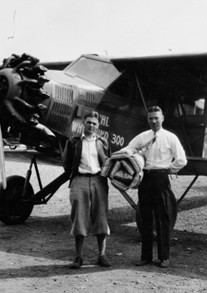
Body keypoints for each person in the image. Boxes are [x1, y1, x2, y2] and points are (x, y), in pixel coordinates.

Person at [123, 106, 187, 268]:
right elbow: (128, 149)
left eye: (156, 118)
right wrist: (131, 158)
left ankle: (164, 257)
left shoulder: (170, 138)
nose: (153, 121)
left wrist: (169, 169)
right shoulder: (143, 137)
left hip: (161, 179)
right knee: (145, 219)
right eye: (150, 118)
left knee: (162, 219)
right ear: (148, 120)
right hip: (146, 179)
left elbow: (182, 160)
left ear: (162, 118)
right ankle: (146, 257)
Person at [62, 111, 111, 269]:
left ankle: (101, 256)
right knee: (79, 217)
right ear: (83, 123)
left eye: (94, 124)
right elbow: (66, 163)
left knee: (101, 217)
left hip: (99, 180)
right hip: (80, 180)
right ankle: (78, 257)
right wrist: (75, 175)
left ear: (98, 126)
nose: (91, 126)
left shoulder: (103, 142)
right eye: (89, 122)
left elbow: (108, 162)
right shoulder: (73, 141)